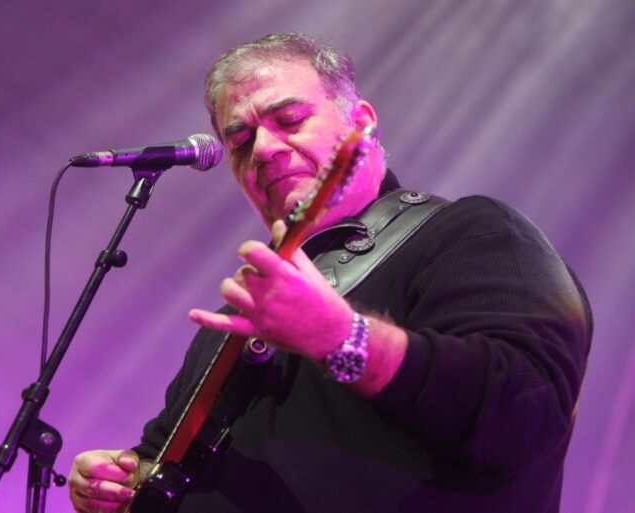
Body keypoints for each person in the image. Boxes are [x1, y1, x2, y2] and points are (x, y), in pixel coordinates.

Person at [67, 33, 591, 513]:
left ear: (361, 122)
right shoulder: (238, 315)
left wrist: (340, 338)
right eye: (241, 141)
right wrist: (122, 479)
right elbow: (164, 454)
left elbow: (526, 413)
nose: (263, 150)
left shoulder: (471, 232)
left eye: (290, 119)